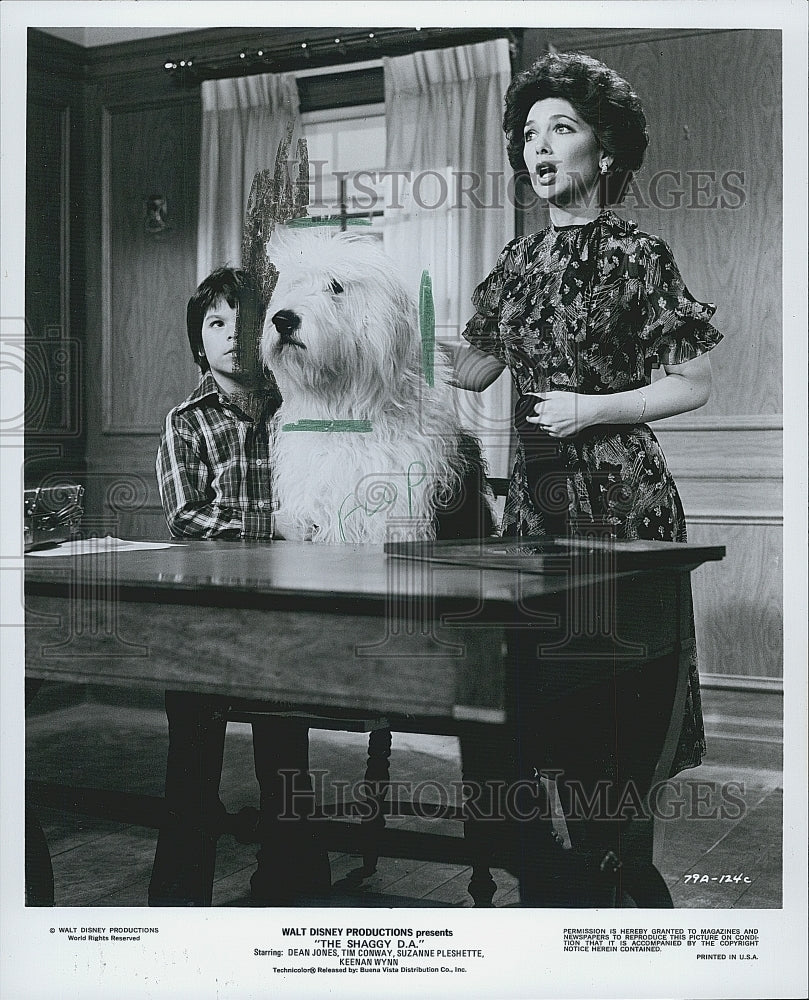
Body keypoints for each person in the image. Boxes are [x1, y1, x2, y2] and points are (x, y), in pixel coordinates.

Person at [453, 52, 723, 903]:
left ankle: (621, 871)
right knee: (538, 693)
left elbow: (692, 382)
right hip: (534, 499)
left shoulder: (639, 253)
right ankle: (557, 878)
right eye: (529, 133)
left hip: (622, 499)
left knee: (620, 698)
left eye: (560, 129)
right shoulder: (516, 263)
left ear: (603, 155)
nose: (539, 146)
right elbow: (473, 372)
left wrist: (588, 409)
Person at [149, 266, 330, 906]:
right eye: (216, 324)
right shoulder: (187, 420)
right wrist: (270, 525)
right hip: (205, 614)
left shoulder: (294, 412)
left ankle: (291, 883)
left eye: (243, 322)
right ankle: (178, 896)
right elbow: (187, 515)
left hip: (281, 612)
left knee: (286, 752)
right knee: (193, 759)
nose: (231, 335)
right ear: (200, 343)